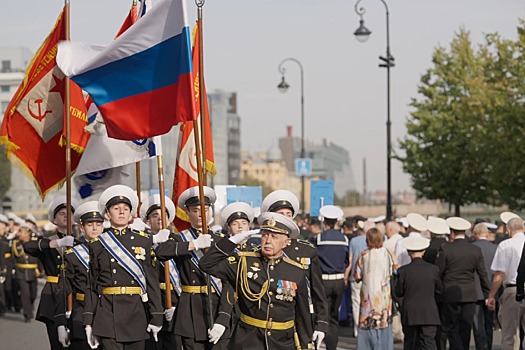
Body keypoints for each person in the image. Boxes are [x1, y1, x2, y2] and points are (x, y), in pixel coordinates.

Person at [200, 212, 315, 349]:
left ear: (286, 242)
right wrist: (232, 241)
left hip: (282, 342)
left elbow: (302, 315)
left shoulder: (296, 271)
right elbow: (206, 264)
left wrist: (306, 343)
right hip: (249, 340)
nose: (268, 240)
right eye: (265, 235)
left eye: (274, 237)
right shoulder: (244, 262)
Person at [84, 185, 164, 350]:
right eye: (116, 208)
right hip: (108, 313)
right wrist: (88, 321)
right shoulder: (98, 244)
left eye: (125, 209)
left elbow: (152, 281)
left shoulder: (143, 241)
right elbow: (92, 286)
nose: (121, 212)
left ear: (131, 214)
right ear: (107, 214)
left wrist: (157, 315)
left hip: (136, 313)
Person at [155, 186, 232, 349]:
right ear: (187, 213)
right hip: (190, 311)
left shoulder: (221, 241)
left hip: (218, 307)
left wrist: (223, 318)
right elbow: (161, 252)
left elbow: (228, 284)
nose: (201, 214)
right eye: (196, 210)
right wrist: (193, 244)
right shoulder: (180, 239)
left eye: (205, 209)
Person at [260, 190, 329, 344]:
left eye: (288, 214)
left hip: (303, 318)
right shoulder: (262, 251)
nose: (285, 217)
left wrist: (321, 324)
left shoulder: (306, 250)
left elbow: (318, 290)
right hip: (271, 319)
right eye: (280, 214)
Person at [24, 195, 79, 350]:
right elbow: (28, 246)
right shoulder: (48, 241)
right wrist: (55, 243)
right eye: (62, 213)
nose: (66, 216)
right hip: (54, 295)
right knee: (57, 344)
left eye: (70, 213)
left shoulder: (81, 242)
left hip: (75, 295)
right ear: (54, 220)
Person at [436, 217, 490, 350]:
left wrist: (438, 291)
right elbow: (482, 274)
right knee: (465, 328)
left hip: (450, 293)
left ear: (452, 232)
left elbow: (438, 272)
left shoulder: (446, 249)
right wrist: (488, 294)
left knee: (451, 327)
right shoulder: (475, 250)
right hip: (470, 293)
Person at [140, 193, 182, 350]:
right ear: (148, 221)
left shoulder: (178, 241)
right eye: (155, 215)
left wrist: (179, 305)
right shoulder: (143, 242)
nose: (160, 219)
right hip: (151, 301)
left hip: (175, 299)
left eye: (163, 215)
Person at [64, 201, 104, 350]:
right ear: (82, 227)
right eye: (90, 224)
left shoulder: (113, 252)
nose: (95, 228)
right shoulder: (73, 254)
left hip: (105, 309)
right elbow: (64, 288)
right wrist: (62, 321)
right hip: (80, 308)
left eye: (98, 224)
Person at [396, 236, 442, 350]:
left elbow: (399, 292)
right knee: (429, 342)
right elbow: (440, 289)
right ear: (424, 252)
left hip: (410, 312)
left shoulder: (403, 271)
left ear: (408, 252)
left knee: (410, 342)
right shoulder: (433, 269)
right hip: (429, 312)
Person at [354, 227, 397, 350]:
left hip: (367, 299)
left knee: (366, 326)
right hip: (384, 299)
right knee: (384, 326)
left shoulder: (363, 255)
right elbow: (395, 270)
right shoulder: (388, 253)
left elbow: (357, 276)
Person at [316, 205, 349, 350]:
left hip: (323, 280)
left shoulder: (318, 238)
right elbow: (346, 261)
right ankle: (332, 346)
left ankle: (319, 342)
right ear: (336, 221)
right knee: (334, 317)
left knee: (322, 314)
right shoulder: (344, 239)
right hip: (339, 280)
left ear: (324, 221)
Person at [490, 213, 525, 350]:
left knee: (510, 335)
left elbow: (499, 273)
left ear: (508, 230)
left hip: (513, 290)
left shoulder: (505, 245)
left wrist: (492, 295)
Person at [471, 223, 496, 350]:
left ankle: (481, 347)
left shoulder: (470, 248)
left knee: (477, 324)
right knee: (489, 323)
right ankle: (488, 346)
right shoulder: (495, 248)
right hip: (492, 289)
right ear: (487, 234)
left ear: (475, 235)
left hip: (475, 290)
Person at [12, 222, 39, 323]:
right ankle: (27, 314)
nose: (19, 234)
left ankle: (30, 306)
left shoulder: (34, 243)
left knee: (33, 294)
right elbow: (13, 258)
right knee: (25, 293)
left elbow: (40, 258)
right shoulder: (16, 244)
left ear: (27, 233)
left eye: (21, 232)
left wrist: (40, 270)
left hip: (33, 271)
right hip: (21, 271)